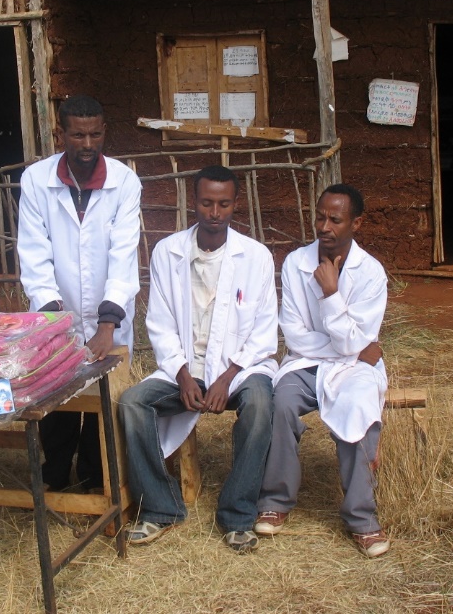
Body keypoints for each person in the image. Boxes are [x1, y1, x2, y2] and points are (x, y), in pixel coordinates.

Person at [119, 165, 277, 553]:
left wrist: (226, 378)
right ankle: (160, 507)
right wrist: (183, 374)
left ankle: (238, 515)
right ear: (194, 202)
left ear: (235, 204)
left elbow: (264, 332)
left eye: (224, 203)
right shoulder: (167, 252)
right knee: (132, 403)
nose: (215, 212)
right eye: (207, 202)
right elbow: (159, 322)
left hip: (239, 371)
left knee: (260, 401)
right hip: (185, 370)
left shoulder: (255, 256)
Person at [254, 183, 391, 558]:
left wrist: (331, 294)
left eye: (335, 219)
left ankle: (362, 518)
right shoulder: (297, 264)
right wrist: (345, 343)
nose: (324, 226)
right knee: (281, 401)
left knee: (361, 404)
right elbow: (295, 335)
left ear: (356, 224)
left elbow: (356, 343)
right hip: (307, 364)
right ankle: (276, 500)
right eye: (319, 216)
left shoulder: (371, 273)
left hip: (355, 370)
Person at [17, 95, 142, 491]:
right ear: (60, 134)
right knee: (55, 395)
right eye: (77, 135)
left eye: (94, 134)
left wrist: (108, 324)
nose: (87, 144)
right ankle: (55, 477)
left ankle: (93, 479)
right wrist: (57, 321)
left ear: (104, 132)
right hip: (58, 311)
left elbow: (124, 256)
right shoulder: (36, 181)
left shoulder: (124, 181)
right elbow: (34, 256)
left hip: (111, 315)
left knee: (105, 397)